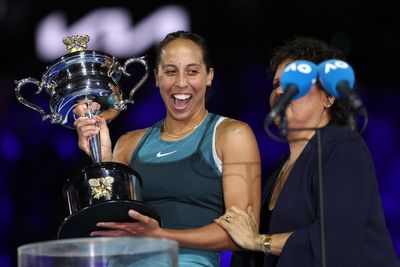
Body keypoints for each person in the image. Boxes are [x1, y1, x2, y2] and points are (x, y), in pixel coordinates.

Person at [73, 30, 261, 267]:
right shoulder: (129, 143)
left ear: (209, 76)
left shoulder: (231, 135)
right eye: (171, 71)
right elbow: (111, 224)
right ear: (157, 77)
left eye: (192, 71)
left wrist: (161, 235)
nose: (181, 82)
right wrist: (101, 159)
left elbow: (245, 234)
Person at [215, 36, 400, 267]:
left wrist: (258, 240)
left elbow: (334, 240)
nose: (281, 90)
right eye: (276, 84)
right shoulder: (279, 170)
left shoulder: (343, 146)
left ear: (329, 96)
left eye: (295, 82)